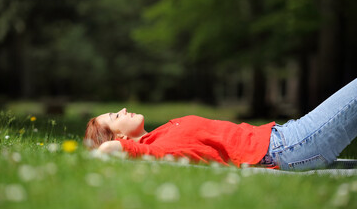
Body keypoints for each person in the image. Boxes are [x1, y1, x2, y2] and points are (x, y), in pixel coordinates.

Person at [84, 78, 357, 170]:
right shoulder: (156, 150)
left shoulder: (160, 136)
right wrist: (102, 150)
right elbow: (110, 151)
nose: (122, 110)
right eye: (115, 117)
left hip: (286, 136)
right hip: (289, 147)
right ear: (119, 137)